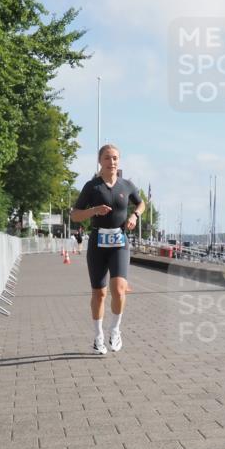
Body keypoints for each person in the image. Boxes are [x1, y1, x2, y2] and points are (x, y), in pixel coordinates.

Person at [70, 144, 144, 354]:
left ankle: (115, 330)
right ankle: (98, 337)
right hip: (98, 243)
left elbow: (141, 204)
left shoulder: (127, 185)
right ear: (100, 161)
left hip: (119, 242)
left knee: (119, 290)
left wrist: (134, 216)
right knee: (99, 293)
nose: (112, 162)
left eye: (115, 158)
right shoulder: (92, 187)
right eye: (107, 158)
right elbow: (75, 214)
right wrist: (94, 210)